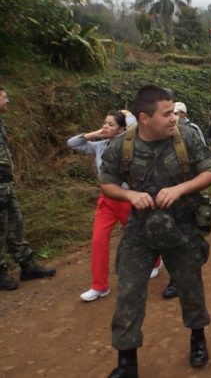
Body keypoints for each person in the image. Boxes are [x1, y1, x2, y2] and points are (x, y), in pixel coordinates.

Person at [99, 85, 211, 377]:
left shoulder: (185, 137)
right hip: (140, 231)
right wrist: (129, 195)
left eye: (173, 112)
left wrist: (180, 189)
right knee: (129, 292)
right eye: (166, 114)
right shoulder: (123, 145)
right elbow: (106, 183)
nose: (173, 118)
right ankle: (126, 362)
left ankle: (197, 338)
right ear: (144, 118)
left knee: (190, 287)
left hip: (182, 228)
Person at [67, 110, 162, 302]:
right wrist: (95, 134)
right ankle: (99, 286)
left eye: (110, 124)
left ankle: (156, 261)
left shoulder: (129, 145)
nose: (105, 127)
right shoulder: (99, 146)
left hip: (127, 198)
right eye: (104, 123)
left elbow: (136, 130)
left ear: (121, 129)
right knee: (98, 240)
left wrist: (128, 115)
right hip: (106, 201)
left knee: (142, 234)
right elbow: (73, 143)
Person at [0, 86, 56, 291]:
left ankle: (27, 265)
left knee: (16, 224)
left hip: (5, 184)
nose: (8, 100)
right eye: (4, 97)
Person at [162, 101, 209, 299]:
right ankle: (174, 277)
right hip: (160, 204)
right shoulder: (147, 137)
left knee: (186, 240)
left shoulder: (190, 132)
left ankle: (182, 277)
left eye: (177, 113)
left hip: (185, 198)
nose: (175, 116)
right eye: (171, 113)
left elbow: (205, 160)